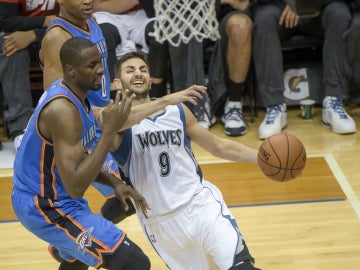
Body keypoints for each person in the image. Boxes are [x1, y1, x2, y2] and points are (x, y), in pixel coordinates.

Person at [109, 51, 261, 270]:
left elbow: (218, 146)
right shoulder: (114, 119)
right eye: (130, 70)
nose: (138, 74)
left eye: (143, 69)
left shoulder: (177, 110)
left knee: (242, 267)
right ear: (117, 83)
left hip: (201, 206)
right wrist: (166, 98)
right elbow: (115, 124)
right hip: (161, 223)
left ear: (151, 80)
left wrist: (262, 158)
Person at [12, 36, 151, 270]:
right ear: (71, 70)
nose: (99, 70)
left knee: (78, 261)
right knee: (135, 263)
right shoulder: (62, 110)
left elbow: (78, 158)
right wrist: (108, 132)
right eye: (91, 66)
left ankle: (67, 250)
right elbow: (77, 184)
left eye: (99, 63)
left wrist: (113, 182)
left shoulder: (77, 95)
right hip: (45, 205)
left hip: (58, 197)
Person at [252, 0, 356, 139]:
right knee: (264, 19)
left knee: (339, 14)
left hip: (320, 5)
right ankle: (275, 107)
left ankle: (333, 101)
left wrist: (304, 3)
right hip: (279, 7)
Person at [0, 0, 59, 150]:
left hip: (56, 34)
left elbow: (73, 20)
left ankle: (64, 123)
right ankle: (21, 129)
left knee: (68, 43)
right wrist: (43, 20)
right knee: (10, 47)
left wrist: (34, 35)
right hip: (17, 34)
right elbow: (4, 20)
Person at [208, 0, 253, 136]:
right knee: (180, 29)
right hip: (191, 14)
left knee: (240, 25)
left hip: (232, 13)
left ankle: (234, 103)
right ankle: (195, 105)